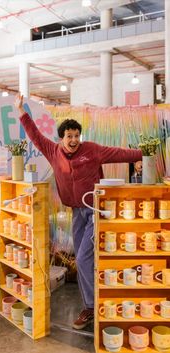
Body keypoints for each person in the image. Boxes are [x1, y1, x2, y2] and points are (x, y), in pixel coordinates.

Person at [15, 94, 142, 330]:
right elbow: (34, 136)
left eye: (76, 136)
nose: (74, 140)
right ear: (61, 138)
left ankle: (91, 307)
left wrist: (141, 156)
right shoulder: (53, 152)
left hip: (95, 210)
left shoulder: (91, 150)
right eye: (69, 136)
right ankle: (92, 304)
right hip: (76, 212)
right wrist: (21, 111)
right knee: (84, 259)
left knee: (83, 257)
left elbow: (118, 153)